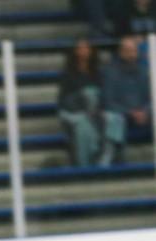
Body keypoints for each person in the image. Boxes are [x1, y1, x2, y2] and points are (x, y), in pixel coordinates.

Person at [100, 34, 152, 164]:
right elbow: (108, 101)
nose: (131, 54)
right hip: (121, 114)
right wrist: (130, 112)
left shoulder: (145, 71)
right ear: (120, 52)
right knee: (114, 118)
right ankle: (115, 160)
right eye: (127, 51)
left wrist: (145, 111)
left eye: (133, 50)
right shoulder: (110, 72)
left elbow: (152, 97)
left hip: (145, 114)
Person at [58, 38, 104, 165]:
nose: (83, 51)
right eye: (80, 48)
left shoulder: (97, 72)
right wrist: (81, 97)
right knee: (83, 124)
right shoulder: (68, 73)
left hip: (94, 111)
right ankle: (83, 162)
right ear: (75, 52)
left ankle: (103, 160)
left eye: (86, 48)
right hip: (73, 112)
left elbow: (103, 94)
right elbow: (63, 100)